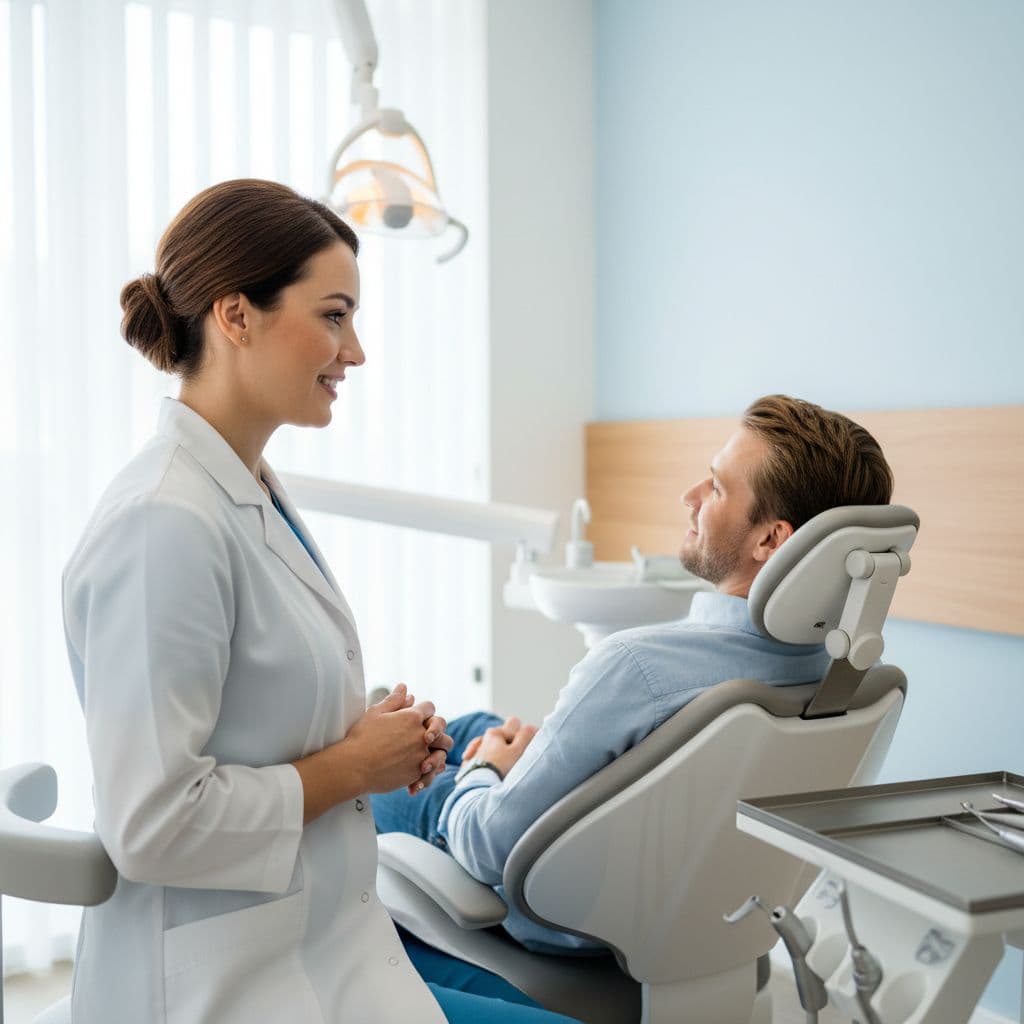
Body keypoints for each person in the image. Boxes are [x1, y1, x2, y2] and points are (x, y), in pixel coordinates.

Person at [62, 178, 580, 1024]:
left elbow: (250, 711)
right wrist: (352, 768)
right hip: (221, 980)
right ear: (236, 317)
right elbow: (152, 824)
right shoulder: (163, 523)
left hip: (322, 940)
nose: (357, 351)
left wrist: (379, 739)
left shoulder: (245, 490)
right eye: (334, 316)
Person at [372, 394, 894, 953]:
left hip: (566, 916)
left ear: (770, 539)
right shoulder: (846, 686)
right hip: (694, 909)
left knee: (390, 763)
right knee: (477, 721)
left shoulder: (638, 669)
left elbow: (488, 846)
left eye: (715, 487)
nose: (689, 497)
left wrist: (484, 772)